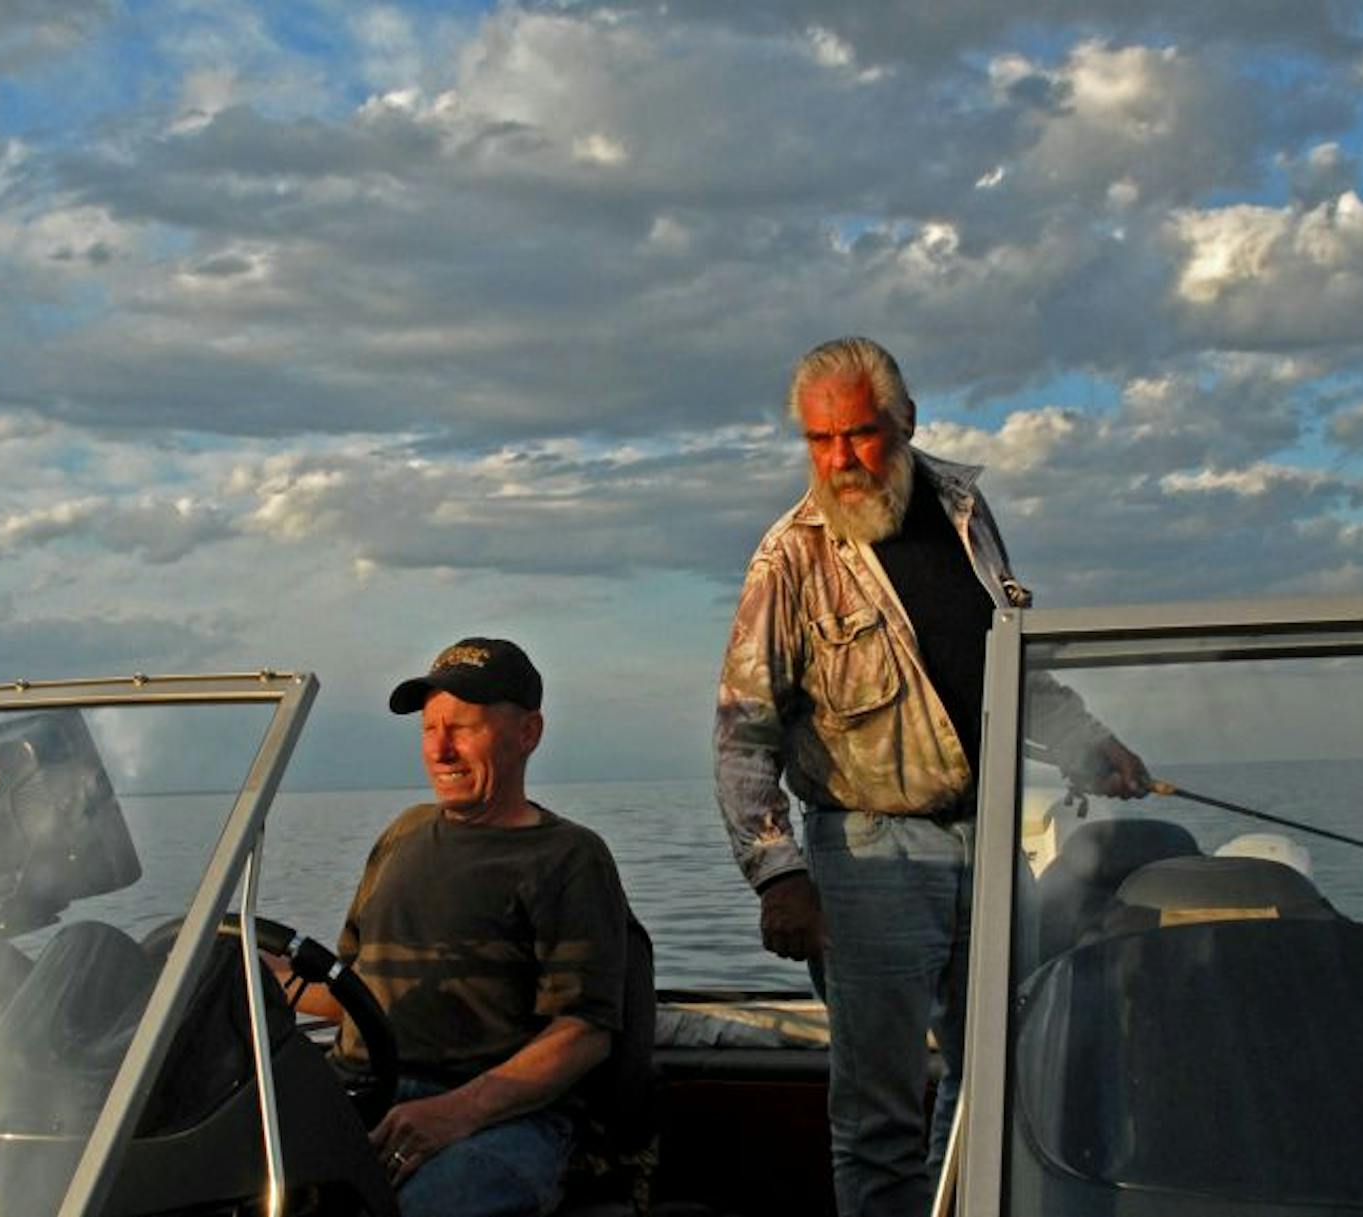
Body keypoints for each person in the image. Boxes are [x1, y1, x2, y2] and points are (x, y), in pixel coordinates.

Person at [713, 336, 1151, 1217]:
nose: (841, 459)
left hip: (988, 840)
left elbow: (1006, 669)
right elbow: (740, 734)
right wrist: (780, 873)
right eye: (820, 440)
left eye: (861, 435)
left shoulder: (965, 509)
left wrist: (1089, 745)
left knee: (999, 1077)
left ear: (906, 423)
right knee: (878, 1117)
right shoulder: (788, 560)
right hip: (867, 852)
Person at [282, 638, 636, 1217]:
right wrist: (255, 972)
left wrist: (456, 1113)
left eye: (463, 729)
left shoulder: (568, 856)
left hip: (499, 1118)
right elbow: (354, 991)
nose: (441, 751)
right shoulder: (404, 835)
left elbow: (585, 1033)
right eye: (429, 730)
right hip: (357, 1092)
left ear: (528, 733)